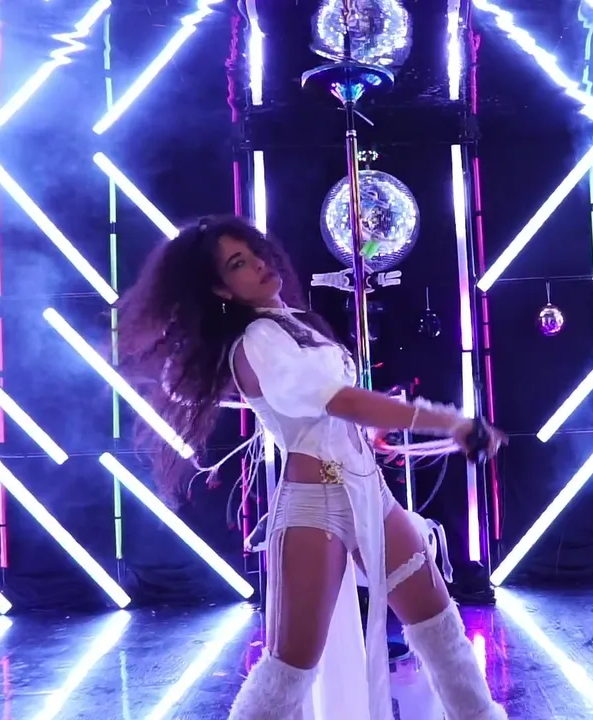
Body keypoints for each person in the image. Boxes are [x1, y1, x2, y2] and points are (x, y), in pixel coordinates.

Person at [118, 216, 507, 720]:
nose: (258, 264)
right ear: (221, 289)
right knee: (290, 669)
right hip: (314, 509)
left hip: (370, 494)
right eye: (238, 264)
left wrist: (370, 433)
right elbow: (339, 400)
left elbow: (334, 409)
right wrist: (447, 420)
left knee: (441, 629)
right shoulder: (258, 338)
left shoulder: (296, 324)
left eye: (254, 252)